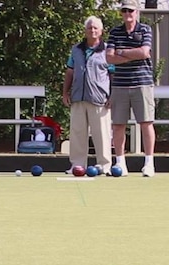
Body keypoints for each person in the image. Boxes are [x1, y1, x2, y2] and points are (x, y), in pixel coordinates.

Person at [105, 0, 156, 177]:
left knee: (146, 123)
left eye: (131, 10)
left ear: (137, 12)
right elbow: (109, 58)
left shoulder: (145, 29)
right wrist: (132, 54)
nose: (128, 13)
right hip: (120, 85)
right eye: (124, 10)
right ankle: (120, 164)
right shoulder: (114, 32)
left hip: (142, 83)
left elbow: (144, 52)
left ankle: (149, 164)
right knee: (118, 125)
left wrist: (121, 52)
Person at [63, 16, 113, 176]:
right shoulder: (76, 49)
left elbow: (113, 75)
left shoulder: (108, 51)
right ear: (85, 30)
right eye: (90, 28)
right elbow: (70, 71)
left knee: (102, 134)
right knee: (77, 134)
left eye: (95, 28)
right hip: (78, 97)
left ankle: (104, 165)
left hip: (100, 99)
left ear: (101, 31)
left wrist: (113, 96)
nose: (92, 30)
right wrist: (65, 92)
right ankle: (77, 165)